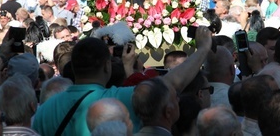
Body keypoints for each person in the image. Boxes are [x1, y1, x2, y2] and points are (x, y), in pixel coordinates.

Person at [32, 26, 212, 135]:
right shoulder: (119, 100)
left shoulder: (44, 110)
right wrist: (203, 48)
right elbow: (171, 84)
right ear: (106, 66)